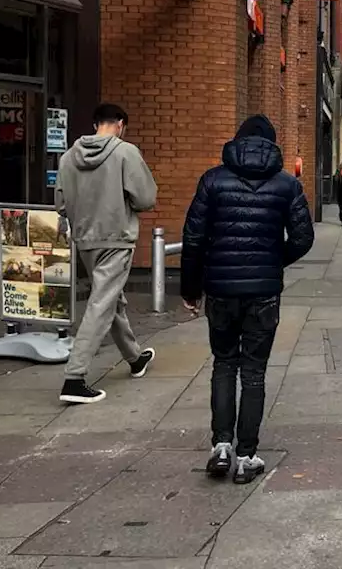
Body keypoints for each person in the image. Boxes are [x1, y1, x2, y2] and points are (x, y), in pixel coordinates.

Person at [181, 114, 314, 484]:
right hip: (263, 293)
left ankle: (220, 446)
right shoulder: (287, 184)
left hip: (221, 289)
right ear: (272, 146)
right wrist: (271, 262)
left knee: (224, 364)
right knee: (253, 372)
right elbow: (303, 239)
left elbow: (192, 239)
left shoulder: (212, 181)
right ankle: (247, 455)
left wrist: (191, 289)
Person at [55, 103, 158, 404]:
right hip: (116, 238)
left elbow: (61, 205)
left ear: (95, 123)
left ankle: (135, 358)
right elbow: (146, 198)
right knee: (101, 303)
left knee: (111, 300)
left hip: (86, 239)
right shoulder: (126, 153)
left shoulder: (67, 158)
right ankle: (74, 377)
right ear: (121, 124)